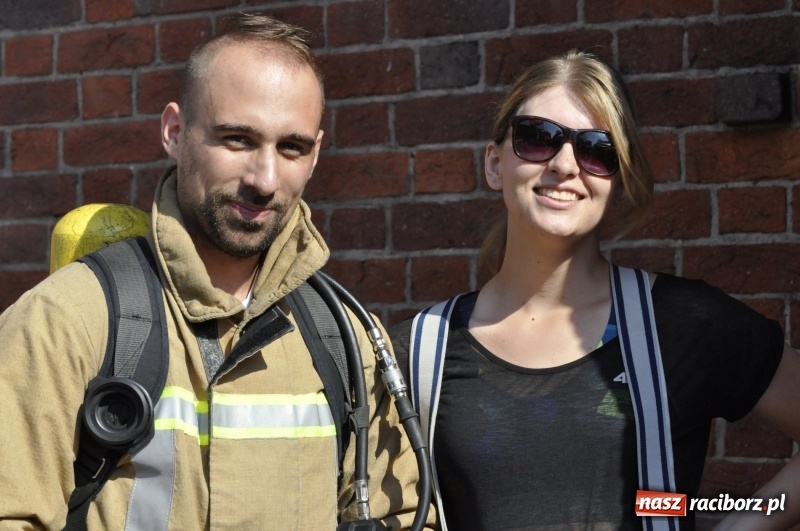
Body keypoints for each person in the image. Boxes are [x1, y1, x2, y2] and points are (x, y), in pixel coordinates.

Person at [0, 13, 432, 530]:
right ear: (175, 132)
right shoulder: (65, 320)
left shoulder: (348, 339)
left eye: (291, 147)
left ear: (315, 154)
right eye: (238, 140)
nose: (265, 179)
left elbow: (403, 515)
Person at [390, 49, 800, 530]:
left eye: (596, 150)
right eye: (537, 138)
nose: (565, 165)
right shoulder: (417, 354)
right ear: (495, 163)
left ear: (618, 177)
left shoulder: (683, 324)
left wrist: (741, 524)